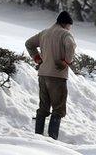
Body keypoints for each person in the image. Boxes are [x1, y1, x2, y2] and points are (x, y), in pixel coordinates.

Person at [25, 11, 76, 139]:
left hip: (42, 75)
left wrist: (37, 58)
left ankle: (38, 136)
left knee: (43, 108)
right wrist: (66, 62)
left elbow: (29, 43)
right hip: (57, 76)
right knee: (58, 110)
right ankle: (52, 140)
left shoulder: (44, 33)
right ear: (66, 24)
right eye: (70, 26)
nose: (70, 28)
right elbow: (71, 45)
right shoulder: (65, 34)